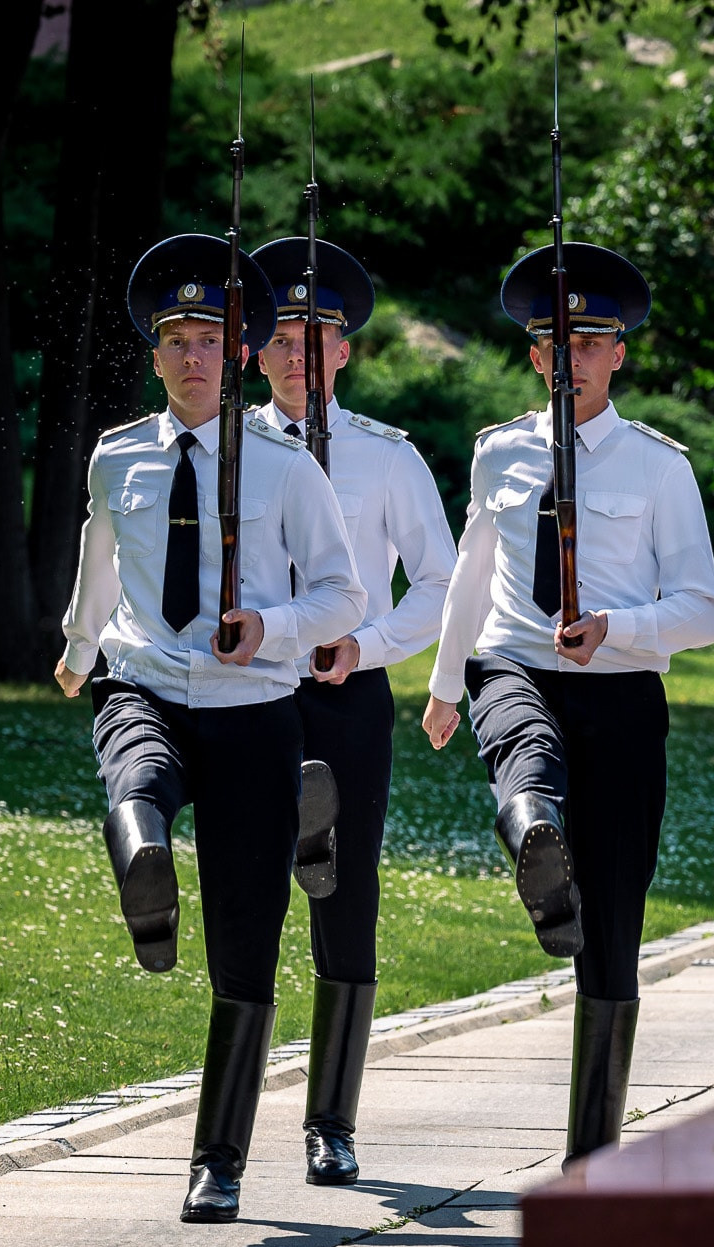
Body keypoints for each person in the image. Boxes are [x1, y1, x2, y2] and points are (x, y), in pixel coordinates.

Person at [56, 234, 365, 1223]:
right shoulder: (119, 455)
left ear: (239, 353)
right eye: (175, 338)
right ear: (153, 353)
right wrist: (75, 650)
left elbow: (344, 594)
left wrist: (269, 626)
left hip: (251, 709)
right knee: (134, 773)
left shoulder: (283, 468)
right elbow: (97, 563)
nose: (192, 355)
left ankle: (218, 1159)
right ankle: (145, 870)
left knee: (247, 938)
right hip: (143, 677)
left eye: (210, 339)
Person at [419, 242, 714, 1166]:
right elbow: (473, 571)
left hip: (623, 698)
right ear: (535, 355)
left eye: (590, 341)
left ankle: (590, 1153)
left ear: (618, 354)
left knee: (615, 932)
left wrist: (620, 628)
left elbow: (704, 610)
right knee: (527, 762)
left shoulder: (659, 469)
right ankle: (535, 842)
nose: (572, 358)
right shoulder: (498, 453)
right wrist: (442, 683)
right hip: (515, 664)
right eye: (555, 341)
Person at [248, 236, 457, 1187]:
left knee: (344, 895)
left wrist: (364, 647)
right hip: (246, 696)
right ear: (255, 347)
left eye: (317, 335)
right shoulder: (223, 453)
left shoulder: (385, 458)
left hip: (344, 694)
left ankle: (330, 1121)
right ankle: (227, 1128)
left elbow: (442, 582)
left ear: (345, 351)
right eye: (283, 333)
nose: (299, 351)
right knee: (248, 897)